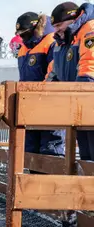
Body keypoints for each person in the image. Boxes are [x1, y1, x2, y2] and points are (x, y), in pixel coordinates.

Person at [46, 1, 94, 161]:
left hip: (88, 101)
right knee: (86, 157)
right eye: (54, 26)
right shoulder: (64, 42)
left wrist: (80, 95)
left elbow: (90, 65)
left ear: (73, 18)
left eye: (59, 24)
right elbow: (54, 71)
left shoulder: (90, 30)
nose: (56, 30)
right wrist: (41, 93)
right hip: (79, 108)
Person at [16, 12, 65, 159]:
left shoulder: (51, 42)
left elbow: (54, 73)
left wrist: (41, 94)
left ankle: (52, 181)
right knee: (30, 150)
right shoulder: (24, 48)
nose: (22, 38)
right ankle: (31, 180)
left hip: (49, 102)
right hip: (30, 105)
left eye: (24, 34)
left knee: (51, 147)